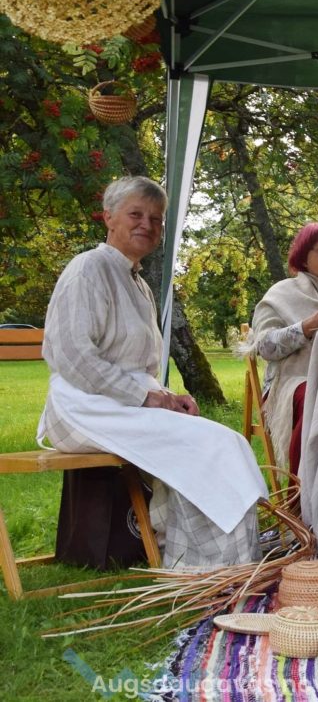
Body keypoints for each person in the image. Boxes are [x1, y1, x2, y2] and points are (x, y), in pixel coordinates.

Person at [38, 176, 266, 570]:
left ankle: (211, 555)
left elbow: (140, 368)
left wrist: (169, 397)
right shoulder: (88, 269)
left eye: (156, 219)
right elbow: (72, 356)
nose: (147, 224)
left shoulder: (138, 284)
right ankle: (208, 564)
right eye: (136, 214)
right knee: (213, 444)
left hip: (120, 404)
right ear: (109, 217)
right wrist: (144, 397)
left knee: (221, 441)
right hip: (81, 407)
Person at [248, 222, 318, 475]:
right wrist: (310, 325)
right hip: (296, 380)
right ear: (304, 259)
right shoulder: (282, 294)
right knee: (317, 394)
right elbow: (265, 347)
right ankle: (301, 491)